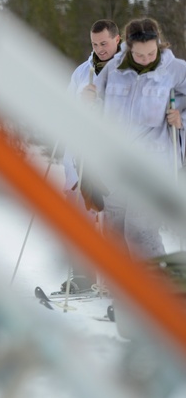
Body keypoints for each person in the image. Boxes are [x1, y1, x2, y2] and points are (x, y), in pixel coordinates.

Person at [89, 17, 186, 260]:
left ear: (159, 44)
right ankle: (125, 290)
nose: (146, 59)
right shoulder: (114, 69)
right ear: (130, 48)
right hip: (118, 162)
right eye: (140, 55)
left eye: (151, 53)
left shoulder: (175, 69)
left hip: (153, 162)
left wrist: (181, 116)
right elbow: (97, 102)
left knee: (139, 229)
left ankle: (157, 289)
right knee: (115, 228)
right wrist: (88, 99)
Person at [58, 19, 121, 292]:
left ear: (117, 40)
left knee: (115, 221)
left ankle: (117, 282)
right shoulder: (82, 72)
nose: (99, 49)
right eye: (95, 44)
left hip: (114, 156)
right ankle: (82, 277)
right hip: (83, 155)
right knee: (80, 218)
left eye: (104, 43)